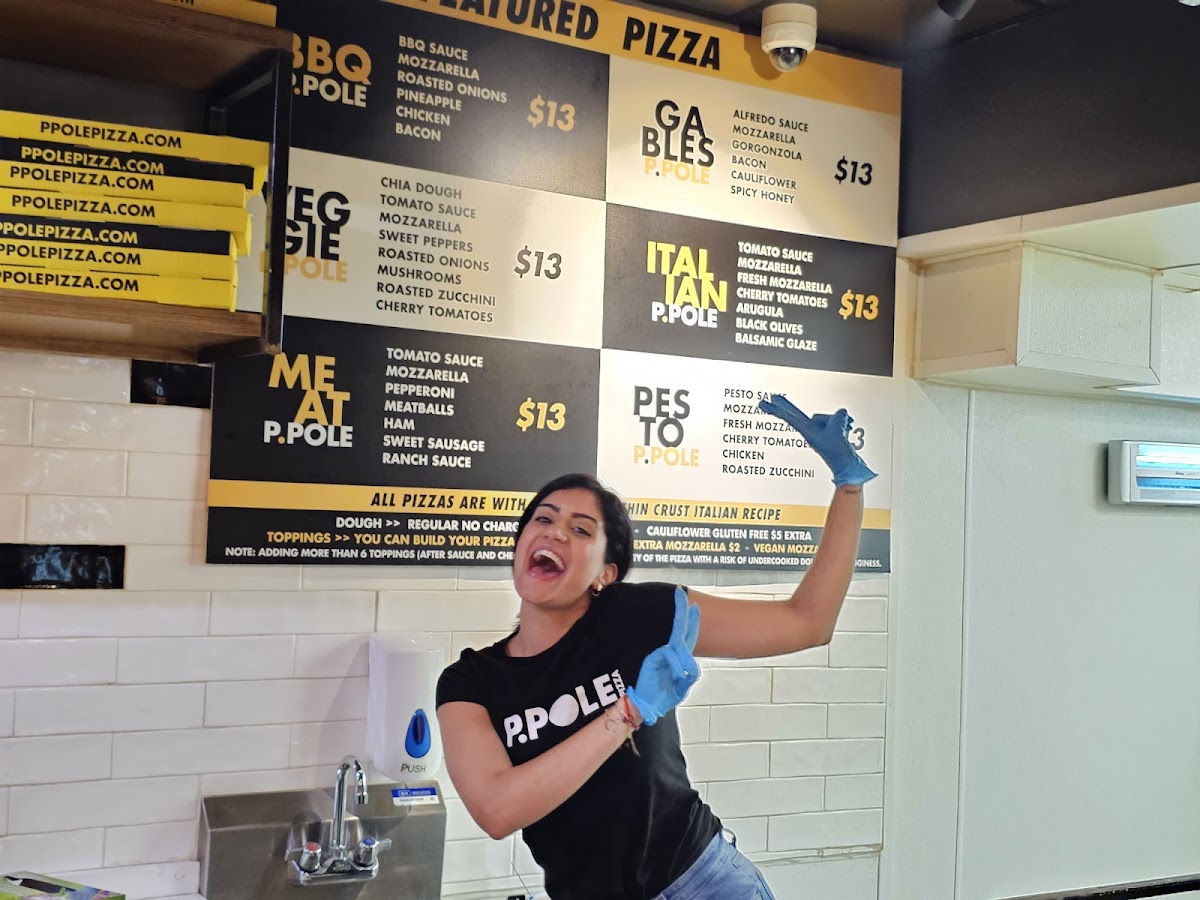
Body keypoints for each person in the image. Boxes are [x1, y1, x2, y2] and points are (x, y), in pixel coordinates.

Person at [435, 395, 877, 899]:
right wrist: (626, 714)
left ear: (606, 573)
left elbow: (806, 623)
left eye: (580, 529)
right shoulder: (471, 683)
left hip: (704, 882)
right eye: (542, 519)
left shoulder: (640, 616)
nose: (555, 532)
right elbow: (497, 810)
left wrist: (848, 485)